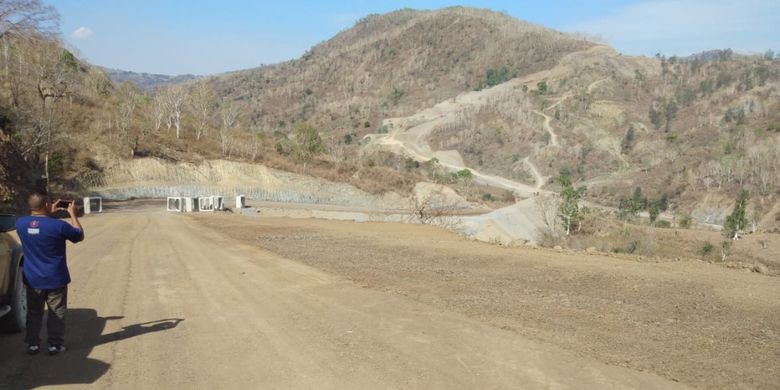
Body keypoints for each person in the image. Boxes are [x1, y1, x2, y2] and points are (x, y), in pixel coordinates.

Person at [15, 193, 84, 355]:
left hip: (32, 278)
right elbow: (79, 235)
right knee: (56, 311)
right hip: (55, 278)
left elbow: (37, 224)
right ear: (46, 204)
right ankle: (55, 345)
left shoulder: (20, 224)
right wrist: (72, 213)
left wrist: (46, 211)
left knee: (33, 312)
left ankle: (33, 344)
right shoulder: (58, 226)